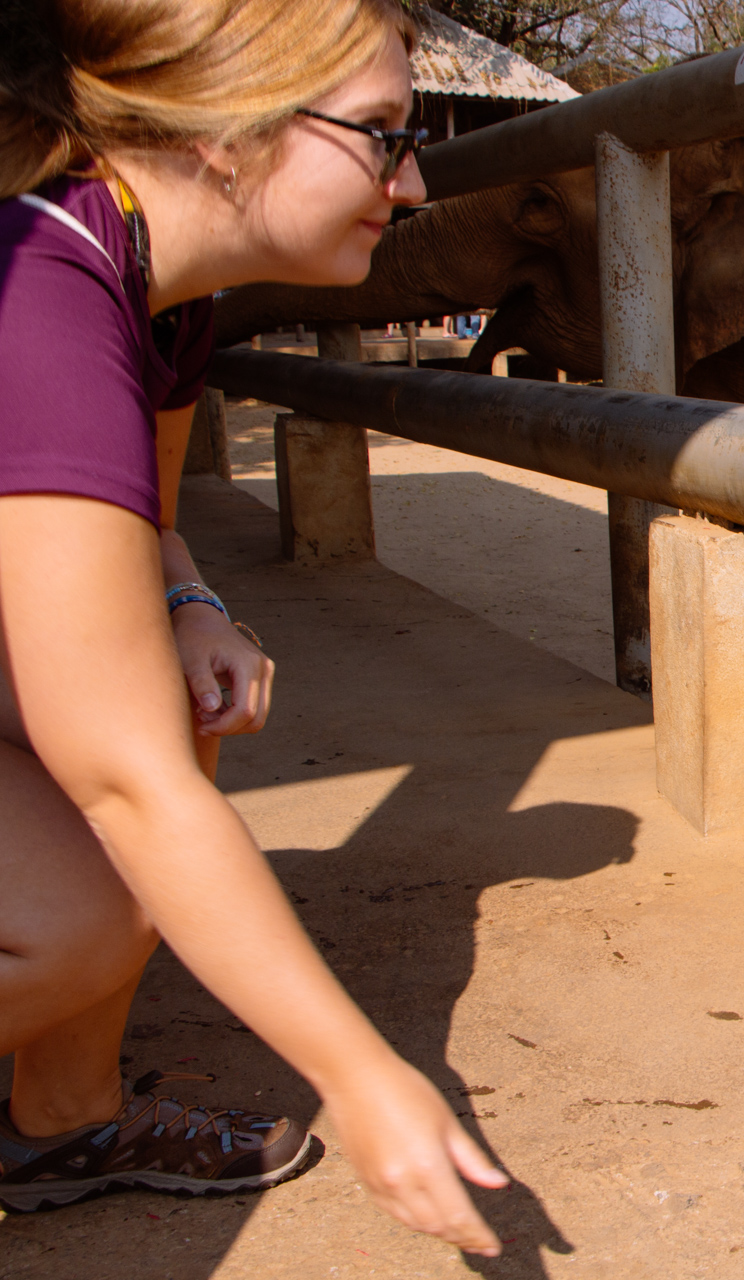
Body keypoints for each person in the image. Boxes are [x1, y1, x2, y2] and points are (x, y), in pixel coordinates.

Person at [0, 0, 506, 1254]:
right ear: (226, 136)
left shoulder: (157, 286)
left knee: (173, 708)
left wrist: (191, 601)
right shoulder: (41, 298)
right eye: (383, 132)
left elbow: (146, 521)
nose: (416, 175)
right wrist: (364, 1073)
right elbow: (124, 781)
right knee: (85, 901)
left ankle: (63, 1119)